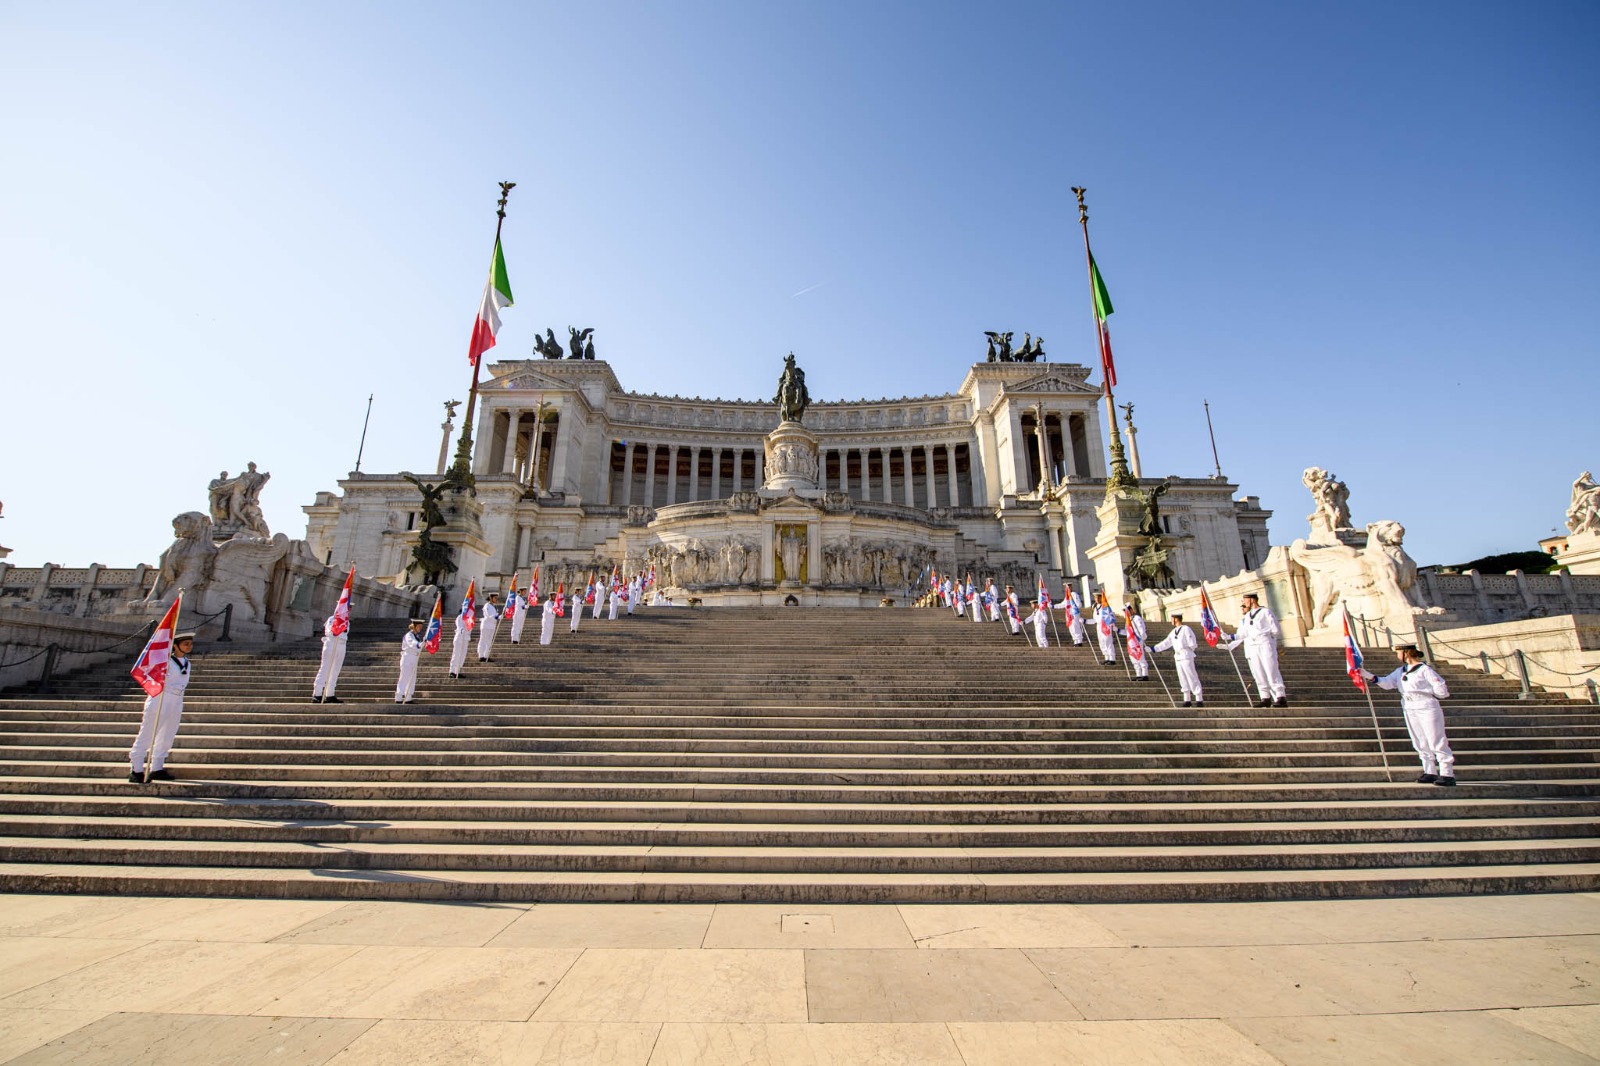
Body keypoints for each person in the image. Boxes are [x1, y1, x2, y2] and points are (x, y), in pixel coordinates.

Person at [1364, 644, 1455, 786]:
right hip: (1409, 706)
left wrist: (1429, 694)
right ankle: (1430, 771)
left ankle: (1447, 773)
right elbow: (1387, 683)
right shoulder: (1400, 671)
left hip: (1425, 705)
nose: (1398, 656)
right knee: (1419, 739)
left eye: (1399, 653)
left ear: (1406, 653)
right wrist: (1367, 675)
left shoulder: (1424, 669)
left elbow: (1441, 690)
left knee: (1436, 739)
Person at [129, 631, 194, 783]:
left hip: (177, 699)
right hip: (161, 697)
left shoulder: (187, 662)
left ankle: (157, 767)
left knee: (167, 734)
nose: (189, 646)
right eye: (186, 644)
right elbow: (149, 673)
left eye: (190, 644)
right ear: (176, 646)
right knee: (148, 732)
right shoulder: (165, 662)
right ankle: (136, 768)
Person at [1223, 592, 1287, 707]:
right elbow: (1243, 634)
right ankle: (1265, 697)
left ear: (1252, 600)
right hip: (1253, 645)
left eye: (1244, 600)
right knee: (1258, 672)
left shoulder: (1265, 612)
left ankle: (1280, 696)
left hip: (1264, 643)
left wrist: (1268, 639)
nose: (1243, 603)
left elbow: (1275, 630)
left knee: (1271, 669)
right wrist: (1228, 636)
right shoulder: (1247, 616)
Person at [1151, 613, 1203, 706]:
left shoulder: (1186, 629)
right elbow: (1166, 643)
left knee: (1191, 676)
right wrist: (1154, 648)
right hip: (1178, 656)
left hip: (1186, 655)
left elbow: (1192, 643)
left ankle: (1199, 698)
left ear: (1176, 619)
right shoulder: (1173, 631)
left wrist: (1188, 650)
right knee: (1182, 678)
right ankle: (1187, 699)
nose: (1171, 620)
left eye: (1172, 619)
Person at [311, 612, 347, 704]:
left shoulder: (347, 620)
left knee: (335, 670)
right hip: (331, 643)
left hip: (342, 644)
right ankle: (317, 694)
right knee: (325, 668)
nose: (348, 610)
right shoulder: (332, 618)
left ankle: (330, 694)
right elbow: (330, 631)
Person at [396, 618, 425, 704]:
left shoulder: (417, 636)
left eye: (421, 627)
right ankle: (399, 696)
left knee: (412, 678)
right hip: (407, 656)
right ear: (414, 626)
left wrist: (424, 642)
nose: (420, 628)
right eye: (419, 626)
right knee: (404, 676)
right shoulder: (409, 635)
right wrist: (420, 644)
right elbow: (412, 644)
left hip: (414, 657)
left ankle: (408, 696)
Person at [1125, 603, 1150, 680]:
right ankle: (1138, 674)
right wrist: (1118, 630)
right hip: (1131, 642)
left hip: (1138, 640)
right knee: (1134, 658)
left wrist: (1141, 639)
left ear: (1131, 610)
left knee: (1140, 657)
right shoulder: (1128, 621)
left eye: (1127, 611)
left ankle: (1145, 674)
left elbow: (1141, 629)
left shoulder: (1137, 618)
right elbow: (1127, 632)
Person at [449, 599, 472, 678]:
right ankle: (452, 671)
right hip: (459, 637)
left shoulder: (469, 618)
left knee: (462, 655)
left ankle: (457, 671)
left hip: (465, 638)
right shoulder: (460, 617)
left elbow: (469, 628)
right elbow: (459, 626)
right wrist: (462, 630)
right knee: (456, 654)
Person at [1093, 599, 1119, 666]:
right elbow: (1095, 619)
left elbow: (1110, 615)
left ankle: (1112, 658)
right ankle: (1106, 657)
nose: (1096, 599)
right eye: (1095, 598)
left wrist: (1112, 623)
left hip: (1106, 625)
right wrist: (1085, 621)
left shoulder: (1105, 606)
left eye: (1098, 597)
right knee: (1102, 642)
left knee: (1108, 641)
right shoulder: (1095, 607)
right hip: (1099, 626)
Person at [477, 593, 501, 662]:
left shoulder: (494, 606)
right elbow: (489, 615)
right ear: (491, 598)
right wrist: (497, 617)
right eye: (495, 598)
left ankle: (486, 655)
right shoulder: (487, 605)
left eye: (497, 598)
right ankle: (481, 655)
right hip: (486, 625)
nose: (496, 599)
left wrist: (498, 616)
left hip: (492, 626)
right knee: (483, 640)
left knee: (489, 641)